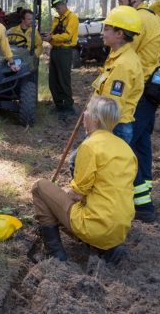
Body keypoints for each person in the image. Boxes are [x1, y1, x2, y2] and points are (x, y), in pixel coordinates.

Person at [31, 96, 136, 264]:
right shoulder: (126, 149)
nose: (84, 113)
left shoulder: (89, 147)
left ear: (95, 118)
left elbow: (78, 194)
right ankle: (106, 248)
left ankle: (54, 254)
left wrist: (57, 203)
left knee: (40, 187)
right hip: (119, 230)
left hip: (96, 226)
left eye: (87, 110)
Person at [117, 0, 160, 223]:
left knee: (124, 147)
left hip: (137, 93)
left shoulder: (136, 19)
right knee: (141, 145)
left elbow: (123, 53)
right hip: (150, 93)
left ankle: (142, 206)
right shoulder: (155, 18)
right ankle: (144, 193)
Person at [91, 6, 144, 145]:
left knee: (82, 162)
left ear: (119, 34)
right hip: (111, 125)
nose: (103, 33)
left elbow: (112, 105)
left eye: (107, 29)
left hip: (113, 127)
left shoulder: (123, 64)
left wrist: (97, 128)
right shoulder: (117, 56)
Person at [42, 0, 79, 120]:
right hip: (55, 51)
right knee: (53, 80)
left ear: (64, 4)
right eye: (55, 8)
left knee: (64, 80)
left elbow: (67, 36)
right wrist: (48, 37)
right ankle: (58, 106)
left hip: (65, 52)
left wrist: (52, 38)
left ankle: (69, 108)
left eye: (58, 7)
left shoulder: (72, 18)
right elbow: (53, 35)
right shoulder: (57, 20)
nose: (57, 10)